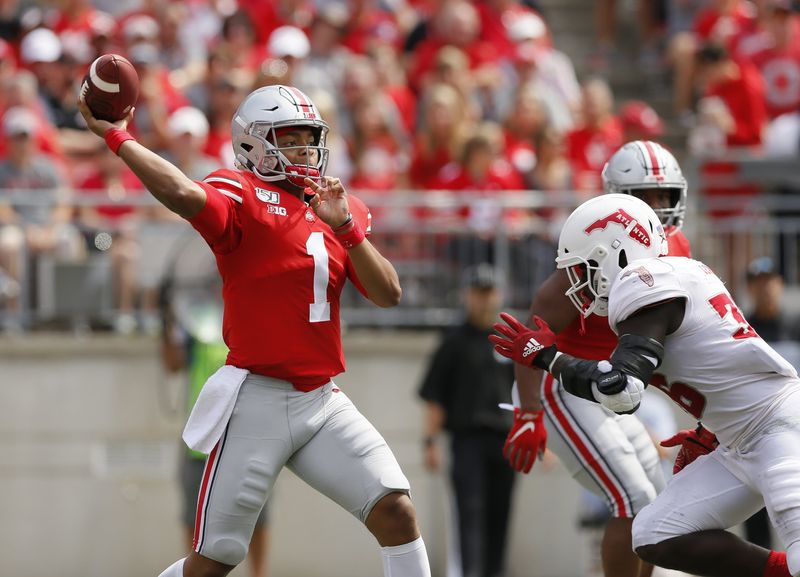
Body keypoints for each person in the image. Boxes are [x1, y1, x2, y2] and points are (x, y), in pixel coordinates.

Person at [77, 84, 431, 577]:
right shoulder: (240, 192)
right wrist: (118, 137)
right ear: (253, 145)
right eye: (290, 139)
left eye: (310, 138)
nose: (305, 149)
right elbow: (181, 192)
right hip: (257, 400)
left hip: (322, 400)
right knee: (215, 559)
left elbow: (388, 292)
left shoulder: (336, 207)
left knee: (397, 511)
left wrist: (347, 227)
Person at [491, 194, 800, 577]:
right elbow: (718, 364)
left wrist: (546, 357)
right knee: (654, 533)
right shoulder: (680, 271)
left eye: (582, 266)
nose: (576, 282)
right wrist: (710, 429)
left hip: (778, 429)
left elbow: (622, 391)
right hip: (737, 439)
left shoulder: (643, 284)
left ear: (616, 253)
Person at [509, 141, 692, 577]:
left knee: (653, 502)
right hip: (564, 385)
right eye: (647, 197)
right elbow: (534, 331)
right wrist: (529, 412)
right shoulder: (600, 244)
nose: (658, 207)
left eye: (665, 196)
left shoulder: (677, 245)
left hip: (611, 384)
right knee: (630, 500)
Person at [160, 268, 270, 577]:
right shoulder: (196, 322)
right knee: (193, 518)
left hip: (246, 435)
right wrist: (166, 319)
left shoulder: (249, 318)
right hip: (201, 439)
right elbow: (172, 364)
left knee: (257, 515)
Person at [418, 264, 516, 577]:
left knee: (500, 514)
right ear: (467, 296)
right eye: (478, 293)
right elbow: (435, 396)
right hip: (468, 440)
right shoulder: (453, 341)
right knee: (470, 514)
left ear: (498, 295)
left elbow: (527, 393)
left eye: (489, 293)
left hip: (506, 441)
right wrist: (430, 442)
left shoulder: (509, 338)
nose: (483, 300)